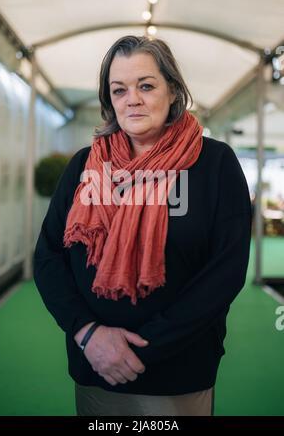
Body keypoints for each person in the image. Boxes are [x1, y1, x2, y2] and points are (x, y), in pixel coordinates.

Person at [33, 35, 252, 416]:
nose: (132, 98)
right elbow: (49, 255)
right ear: (110, 101)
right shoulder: (85, 166)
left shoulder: (214, 163)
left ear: (173, 91)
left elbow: (226, 272)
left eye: (146, 85)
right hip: (96, 369)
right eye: (119, 90)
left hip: (179, 374)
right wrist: (88, 334)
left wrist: (141, 346)